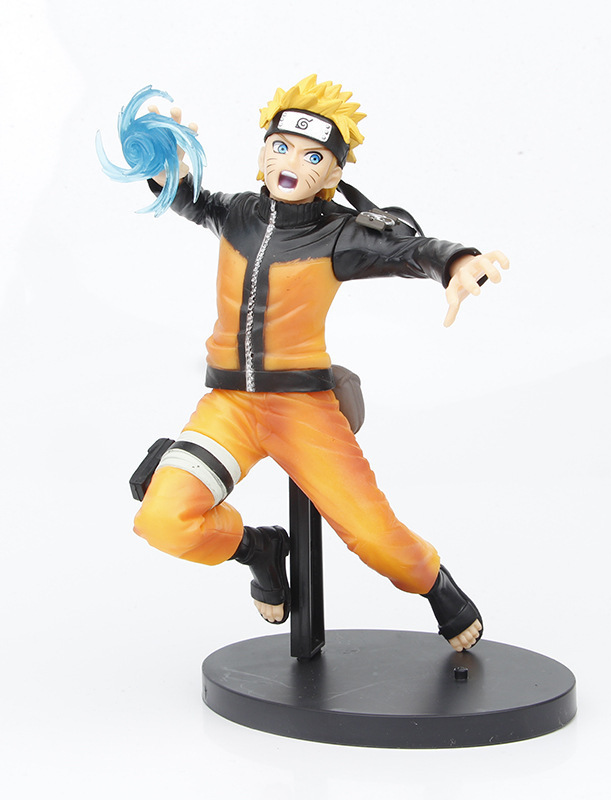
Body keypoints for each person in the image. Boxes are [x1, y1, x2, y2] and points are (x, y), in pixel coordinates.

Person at [132, 75, 509, 651]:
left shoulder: (339, 234)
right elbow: (187, 198)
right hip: (228, 407)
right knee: (162, 520)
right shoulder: (235, 214)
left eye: (313, 157)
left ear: (334, 175)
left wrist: (456, 262)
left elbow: (410, 250)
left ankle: (436, 585)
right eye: (281, 146)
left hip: (301, 409)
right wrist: (165, 167)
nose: (290, 164)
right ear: (262, 153)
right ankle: (261, 549)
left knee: (375, 539)